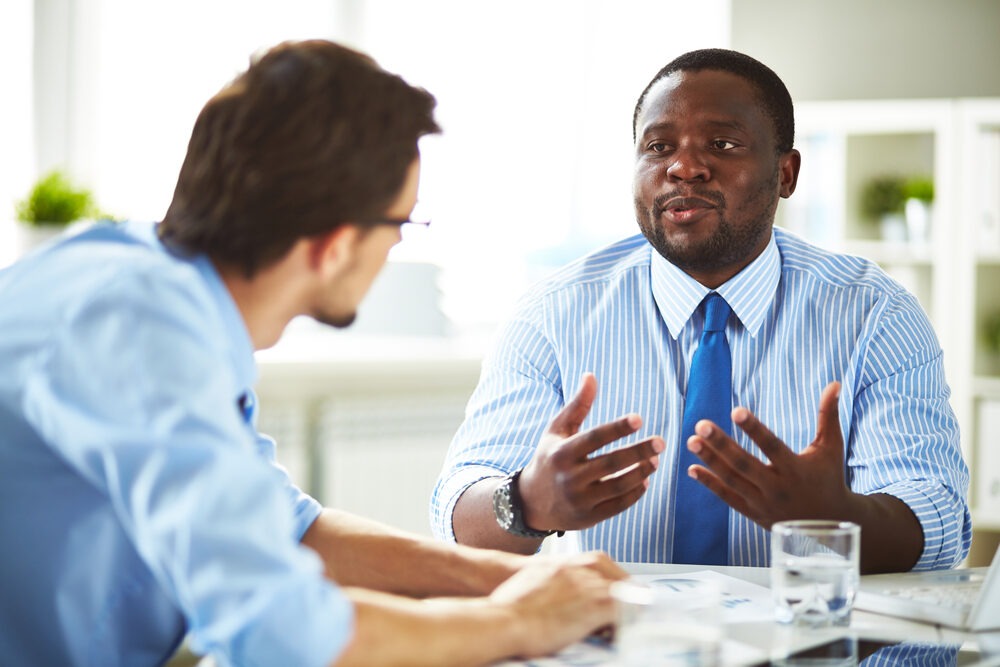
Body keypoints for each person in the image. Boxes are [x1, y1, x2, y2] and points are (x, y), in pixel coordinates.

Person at [0, 40, 626, 667]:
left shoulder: (142, 288)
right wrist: (519, 620)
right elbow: (280, 631)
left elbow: (289, 532)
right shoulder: (142, 332)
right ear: (336, 244)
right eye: (402, 223)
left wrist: (512, 579)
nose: (395, 247)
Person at [431, 48, 971, 575]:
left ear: (786, 173)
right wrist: (524, 503)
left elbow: (940, 520)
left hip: (801, 626)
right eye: (658, 146)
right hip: (614, 625)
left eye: (722, 144)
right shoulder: (552, 313)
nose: (684, 167)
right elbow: (457, 511)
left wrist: (838, 516)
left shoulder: (875, 315)